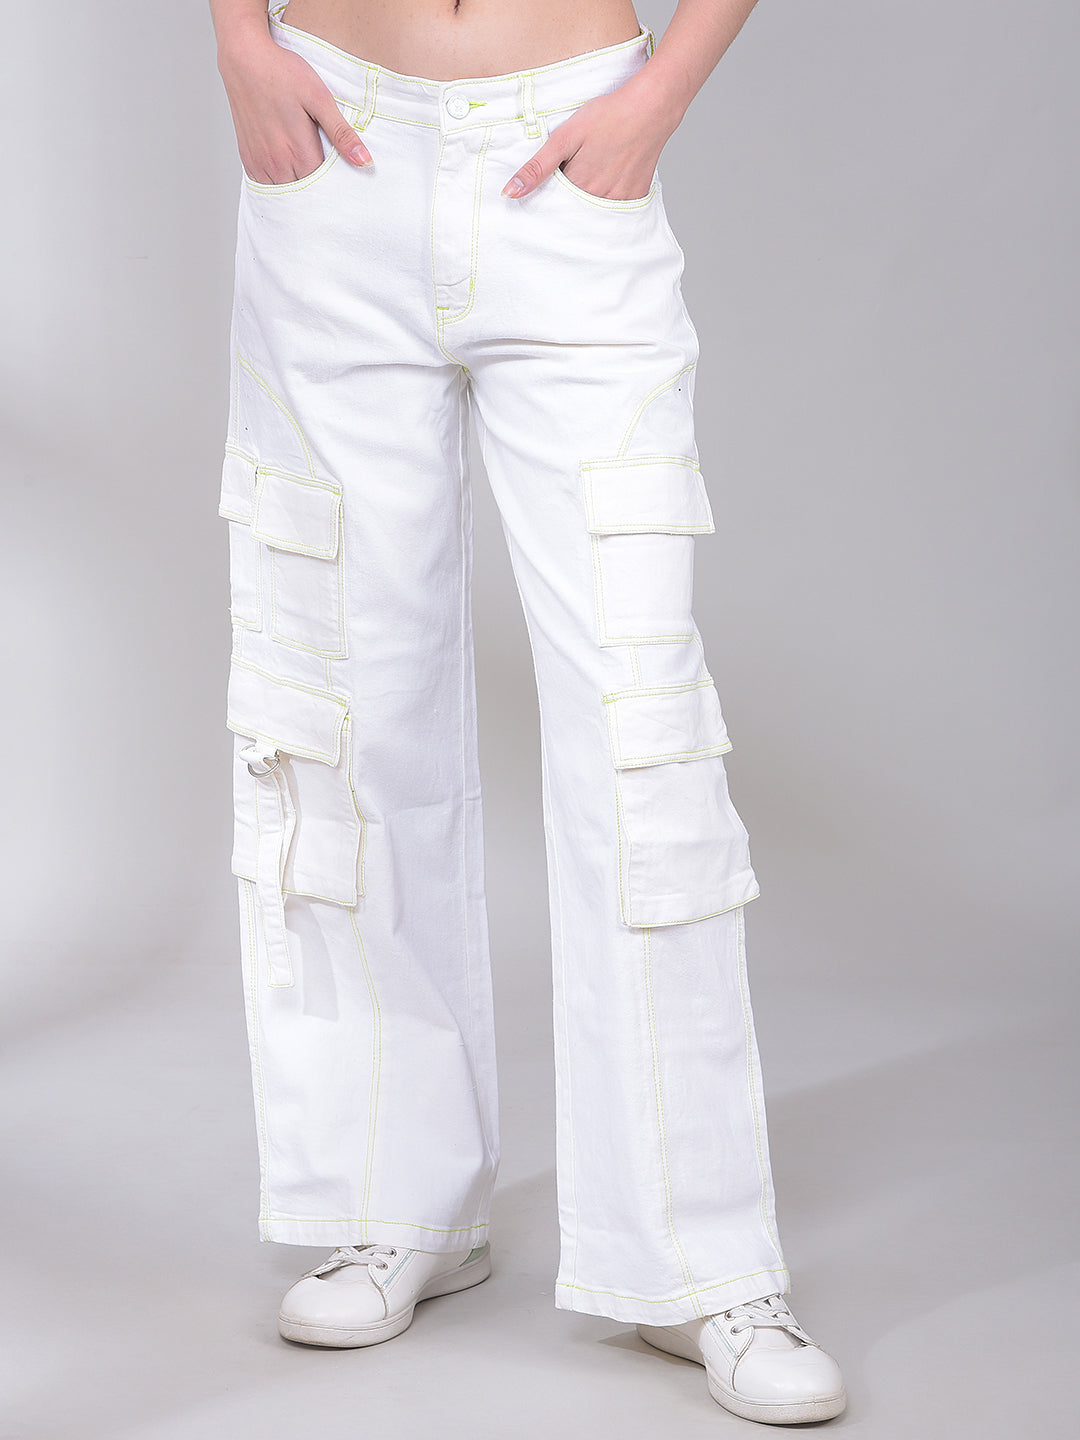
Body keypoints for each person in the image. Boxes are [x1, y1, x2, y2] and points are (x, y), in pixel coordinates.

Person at [209, 0, 846, 1424]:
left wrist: (663, 91)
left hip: (566, 150)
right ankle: (399, 1198)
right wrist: (238, 38)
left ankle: (697, 1259)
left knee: (641, 727)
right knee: (348, 700)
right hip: (334, 149)